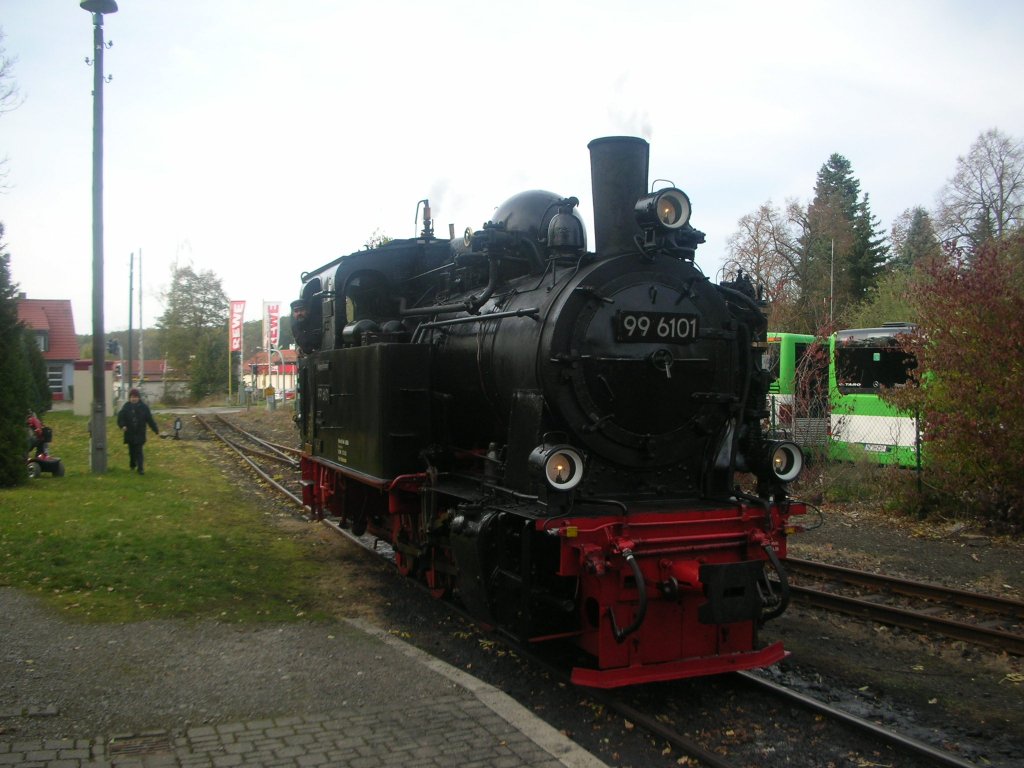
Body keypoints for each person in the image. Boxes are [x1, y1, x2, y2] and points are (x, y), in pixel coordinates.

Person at [117, 388, 159, 474]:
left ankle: (140, 469)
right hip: (130, 433)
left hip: (140, 433)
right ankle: (132, 465)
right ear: (129, 398)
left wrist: (155, 429)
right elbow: (120, 418)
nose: (134, 399)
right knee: (132, 451)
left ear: (139, 398)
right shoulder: (126, 407)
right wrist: (123, 425)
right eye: (132, 397)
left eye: (136, 397)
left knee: (139, 451)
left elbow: (149, 419)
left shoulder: (144, 408)